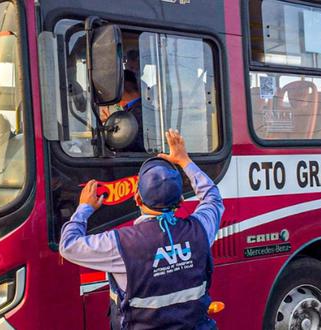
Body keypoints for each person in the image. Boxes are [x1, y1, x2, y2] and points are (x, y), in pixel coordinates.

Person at [60, 129, 224, 329]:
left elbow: (68, 245)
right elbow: (212, 197)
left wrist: (84, 208)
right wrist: (184, 160)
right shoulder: (200, 230)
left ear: (137, 199)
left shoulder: (120, 244)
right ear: (181, 201)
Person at [100, 70, 145, 152]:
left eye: (109, 88)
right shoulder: (141, 109)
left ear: (122, 87)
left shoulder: (135, 116)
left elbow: (122, 148)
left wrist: (107, 128)